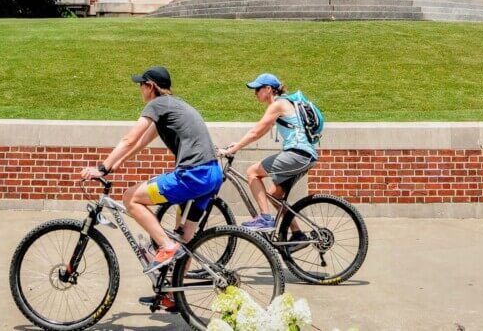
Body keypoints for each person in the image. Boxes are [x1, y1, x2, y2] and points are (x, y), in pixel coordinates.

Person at [80, 66, 222, 278]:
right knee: (185, 238)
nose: (139, 89)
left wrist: (102, 168)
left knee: (131, 199)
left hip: (193, 176)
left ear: (151, 86)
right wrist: (118, 163)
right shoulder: (174, 105)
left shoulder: (157, 104)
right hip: (212, 175)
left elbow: (130, 138)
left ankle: (165, 246)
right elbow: (141, 142)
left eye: (141, 84)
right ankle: (174, 295)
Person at [218, 73, 317, 239]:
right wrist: (238, 145)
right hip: (304, 155)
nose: (255, 93)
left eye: (257, 89)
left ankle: (265, 218)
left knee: (252, 172)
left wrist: (232, 149)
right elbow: (262, 131)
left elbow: (256, 132)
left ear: (268, 89)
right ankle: (298, 234)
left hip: (298, 154)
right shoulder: (283, 104)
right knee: (274, 195)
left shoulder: (278, 104)